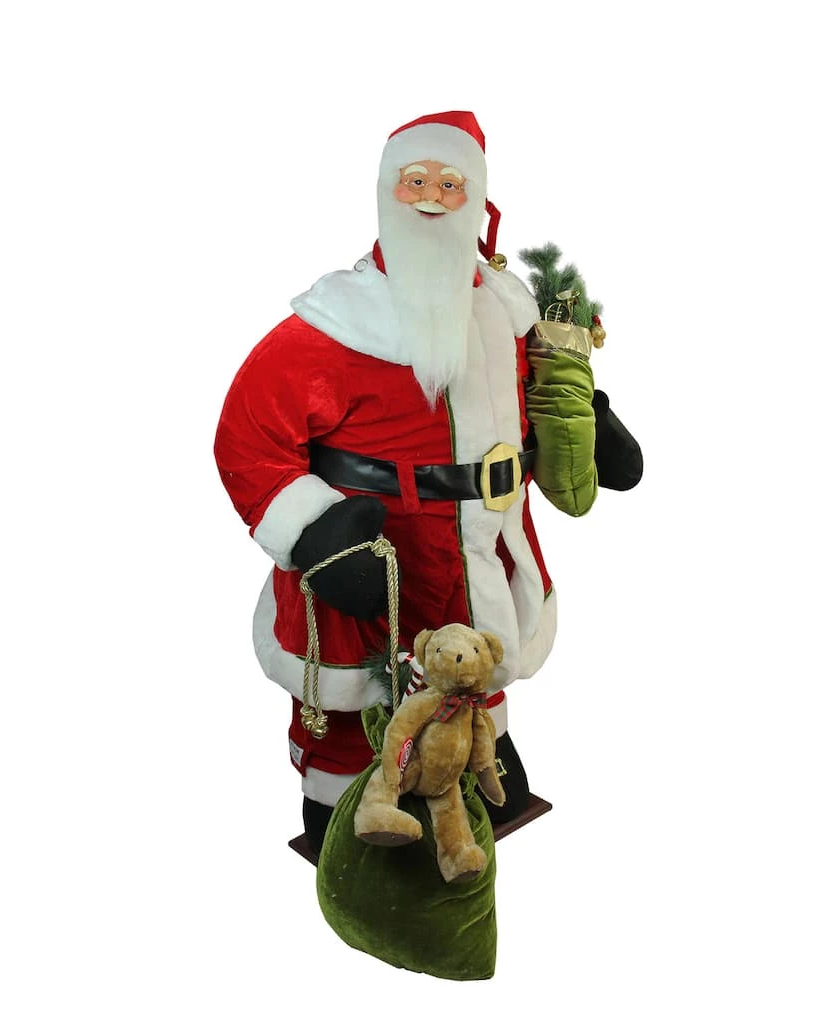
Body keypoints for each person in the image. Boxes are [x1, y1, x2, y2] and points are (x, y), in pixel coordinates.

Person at [214, 111, 641, 853]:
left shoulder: (509, 309)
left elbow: (535, 397)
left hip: (481, 545)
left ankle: (476, 767)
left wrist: (589, 425)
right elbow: (249, 439)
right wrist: (315, 536)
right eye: (416, 182)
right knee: (361, 695)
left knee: (478, 661)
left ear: (478, 199)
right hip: (378, 557)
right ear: (387, 192)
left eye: (451, 184)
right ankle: (347, 805)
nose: (433, 199)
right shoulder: (331, 324)